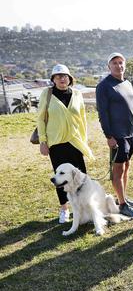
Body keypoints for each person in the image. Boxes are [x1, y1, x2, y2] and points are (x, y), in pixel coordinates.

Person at [37, 64, 94, 223]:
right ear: (53, 79)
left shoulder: (77, 94)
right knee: (61, 178)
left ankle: (83, 209)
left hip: (75, 143)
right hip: (56, 144)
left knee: (80, 177)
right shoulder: (47, 94)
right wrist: (43, 141)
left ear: (70, 78)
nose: (62, 79)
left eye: (65, 76)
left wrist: (84, 142)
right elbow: (41, 118)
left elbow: (82, 120)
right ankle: (65, 209)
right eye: (58, 76)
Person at [96, 52, 133, 219]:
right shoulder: (104, 86)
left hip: (132, 134)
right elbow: (103, 113)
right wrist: (109, 136)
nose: (118, 65)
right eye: (114, 63)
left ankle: (123, 197)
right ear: (109, 66)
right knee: (118, 168)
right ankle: (122, 205)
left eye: (121, 62)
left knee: (126, 166)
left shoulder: (128, 83)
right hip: (117, 135)